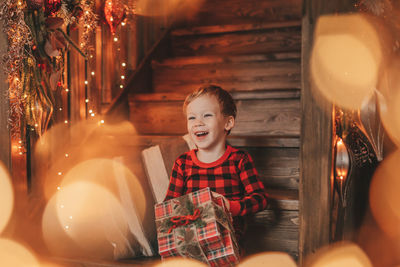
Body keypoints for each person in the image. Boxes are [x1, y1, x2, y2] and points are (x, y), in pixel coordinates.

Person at [164, 84, 268, 251]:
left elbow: (260, 199)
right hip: (192, 241)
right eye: (192, 118)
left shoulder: (239, 159)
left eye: (207, 115)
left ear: (227, 123)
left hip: (228, 242)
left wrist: (231, 206)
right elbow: (169, 205)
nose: (198, 122)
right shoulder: (182, 163)